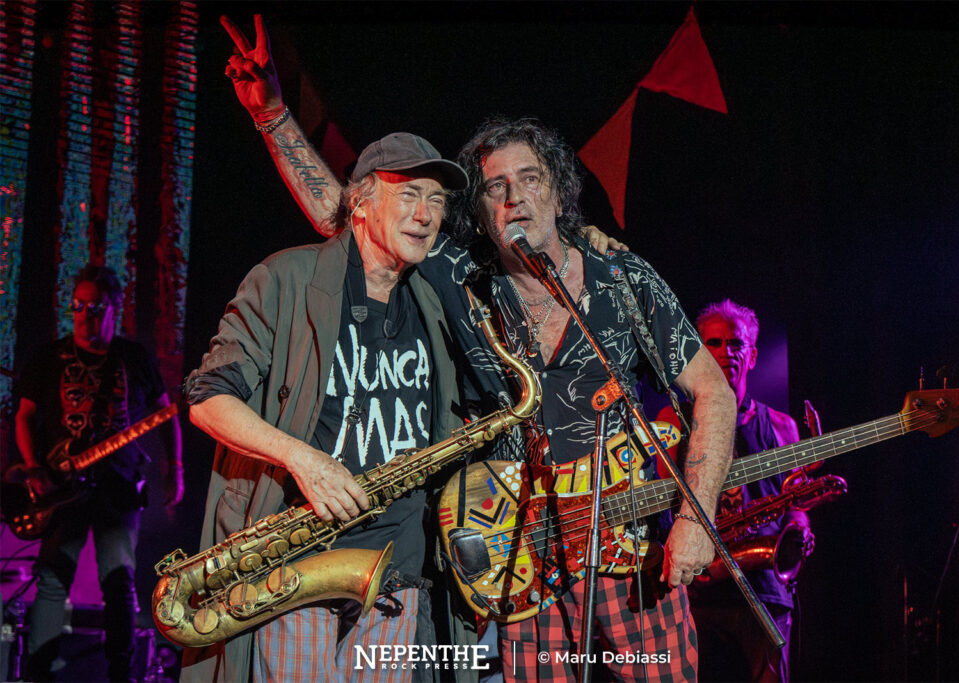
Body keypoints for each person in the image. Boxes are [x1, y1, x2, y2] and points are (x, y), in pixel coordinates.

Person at [219, 16, 736, 681]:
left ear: (559, 191)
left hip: (630, 562)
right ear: (483, 211)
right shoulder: (465, 281)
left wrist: (696, 518)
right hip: (527, 571)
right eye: (495, 186)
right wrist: (271, 115)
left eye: (529, 178)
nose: (514, 196)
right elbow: (345, 215)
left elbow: (713, 391)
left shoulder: (624, 280)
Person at [180, 130, 470, 682]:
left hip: (397, 573)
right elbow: (207, 399)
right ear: (360, 202)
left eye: (436, 200)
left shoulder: (437, 299)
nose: (426, 214)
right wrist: (302, 459)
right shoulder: (285, 277)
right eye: (409, 194)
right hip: (298, 566)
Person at [14, 264, 183, 682]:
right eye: (78, 306)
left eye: (95, 308)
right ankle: (38, 675)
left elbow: (167, 416)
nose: (85, 316)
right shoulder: (50, 357)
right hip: (61, 487)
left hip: (119, 485)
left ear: (114, 308)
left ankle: (120, 675)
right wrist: (33, 468)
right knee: (52, 581)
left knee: (119, 581)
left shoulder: (133, 358)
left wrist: (174, 468)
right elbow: (24, 417)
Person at [690, 298, 814, 682]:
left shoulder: (782, 426)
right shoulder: (675, 422)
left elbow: (797, 504)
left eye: (736, 343)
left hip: (765, 590)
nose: (725, 352)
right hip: (700, 592)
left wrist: (799, 527)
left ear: (753, 355)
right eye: (713, 343)